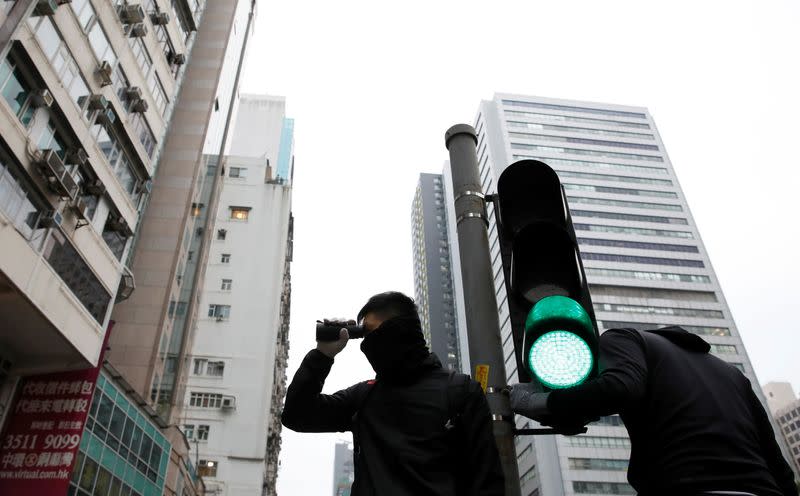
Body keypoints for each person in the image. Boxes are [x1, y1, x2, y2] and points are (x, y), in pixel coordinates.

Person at [510, 325, 798, 496]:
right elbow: (777, 463)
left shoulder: (624, 338)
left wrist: (541, 402)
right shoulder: (731, 374)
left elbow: (620, 387)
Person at [281, 291, 504, 495]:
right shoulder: (365, 397)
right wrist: (322, 355)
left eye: (371, 333)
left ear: (400, 329)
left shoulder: (459, 391)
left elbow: (487, 482)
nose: (368, 345)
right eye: (363, 336)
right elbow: (298, 415)